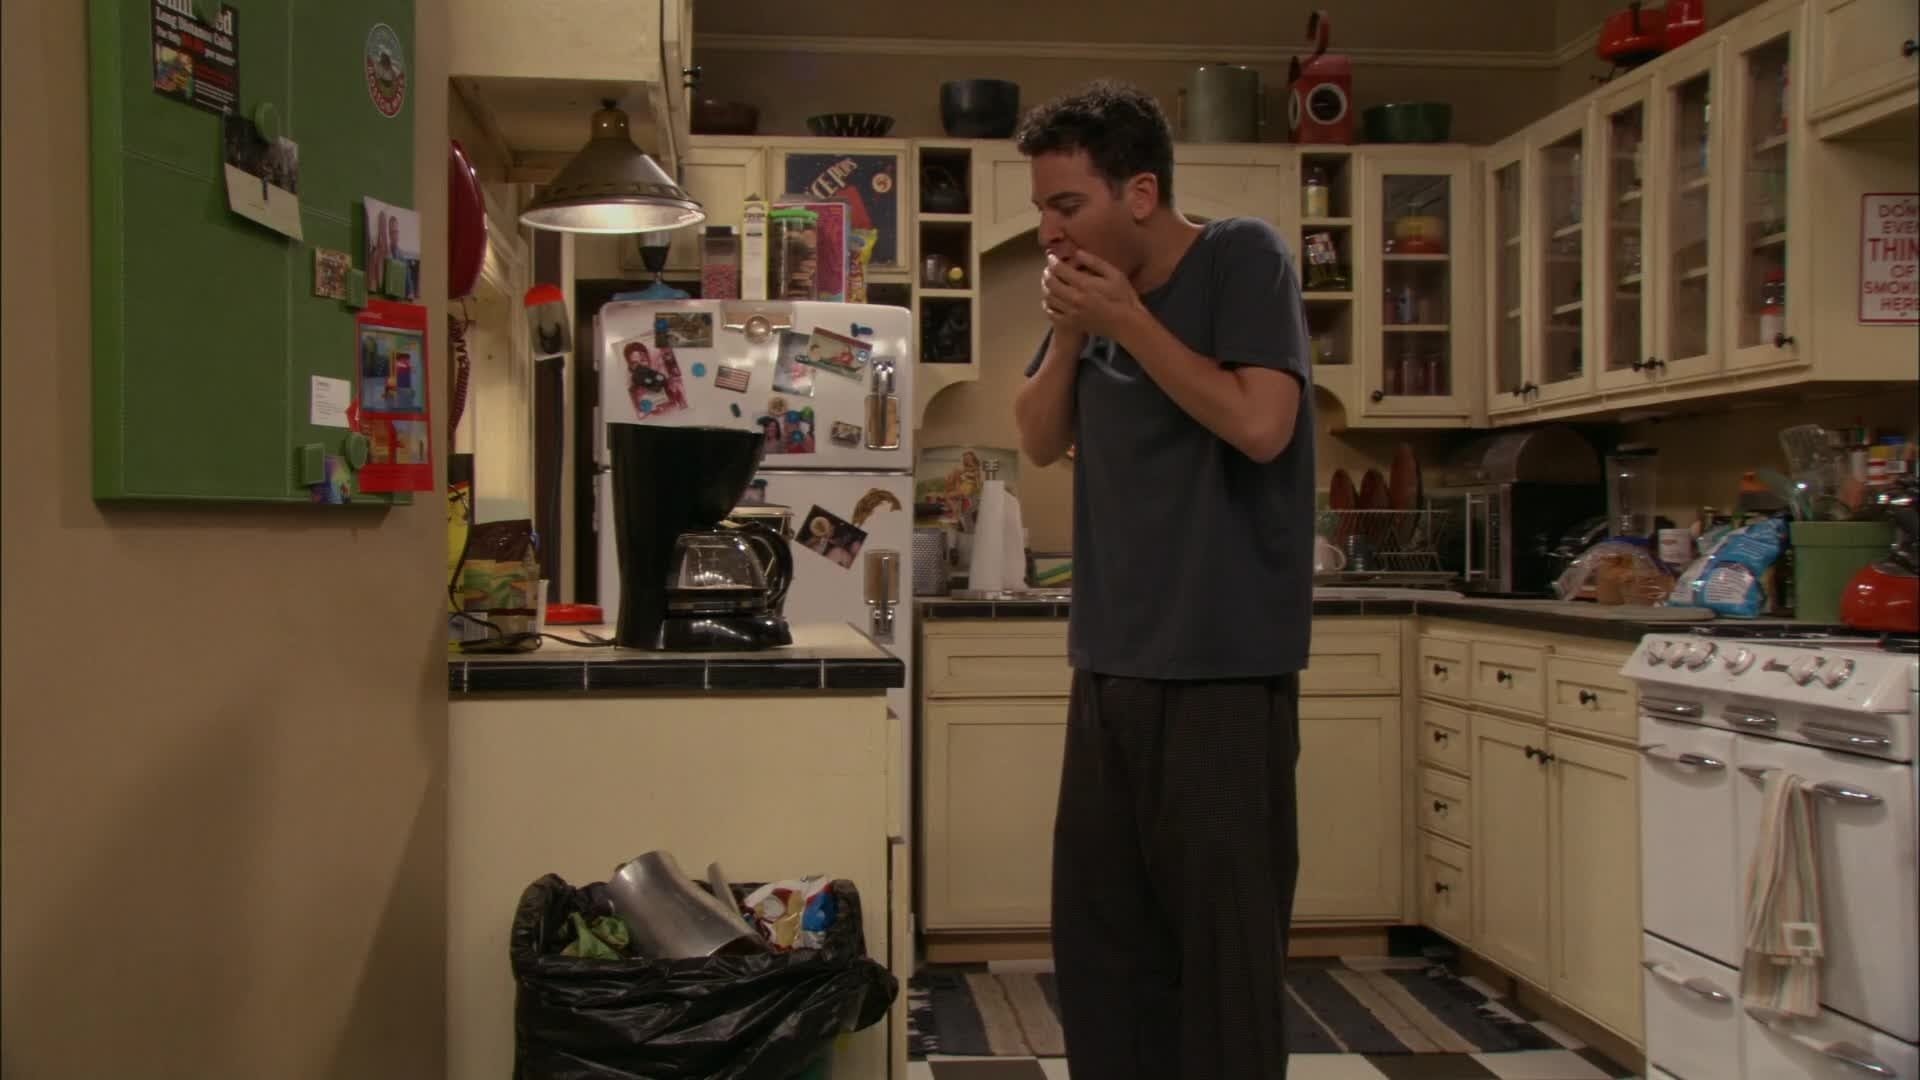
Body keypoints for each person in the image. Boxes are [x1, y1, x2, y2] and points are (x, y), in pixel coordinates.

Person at [1011, 80, 1315, 1080]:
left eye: (1067, 205)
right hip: (1109, 666)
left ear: (1139, 192)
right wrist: (1072, 332)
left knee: (1223, 968)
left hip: (1224, 671)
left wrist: (1128, 320)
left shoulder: (1242, 258)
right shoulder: (1090, 299)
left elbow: (1262, 426)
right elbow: (1038, 437)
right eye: (1043, 210)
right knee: (1105, 956)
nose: (1050, 232)